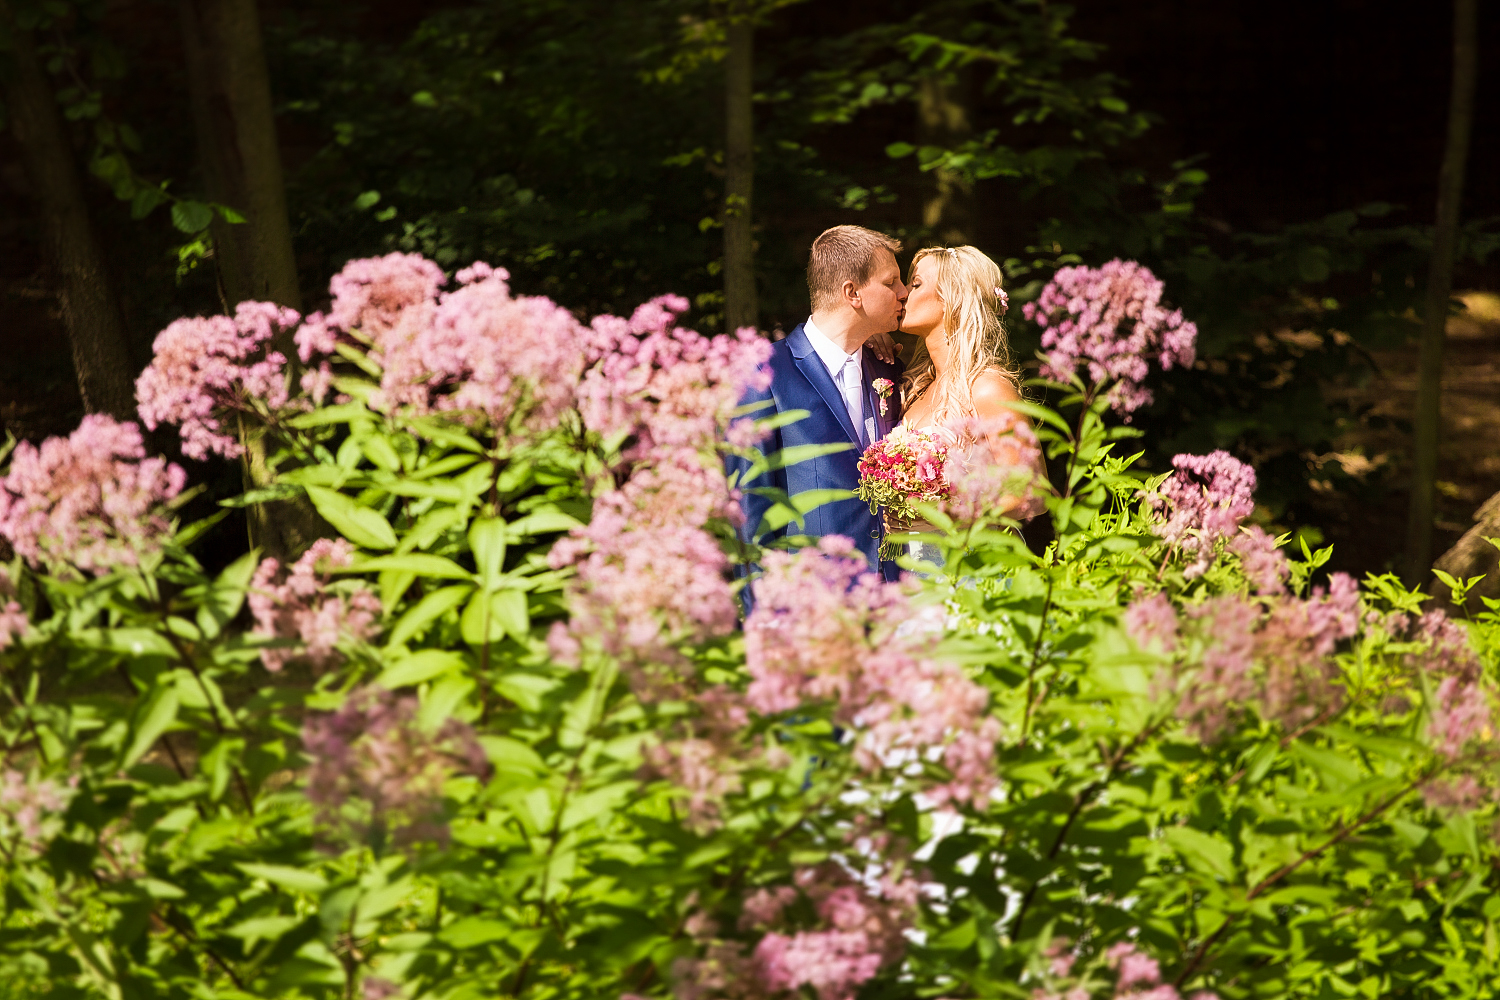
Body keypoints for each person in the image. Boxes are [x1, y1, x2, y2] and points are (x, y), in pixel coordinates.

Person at [730, 225, 909, 581]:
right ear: (852, 292)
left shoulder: (889, 368)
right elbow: (749, 509)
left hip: (893, 600)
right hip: (810, 602)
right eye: (891, 283)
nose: (904, 293)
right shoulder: (764, 373)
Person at [896, 245, 1047, 559]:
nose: (902, 294)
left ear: (951, 298)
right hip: (914, 577)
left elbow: (1033, 493)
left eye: (915, 284)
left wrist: (943, 515)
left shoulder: (987, 388)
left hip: (973, 572)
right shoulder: (916, 389)